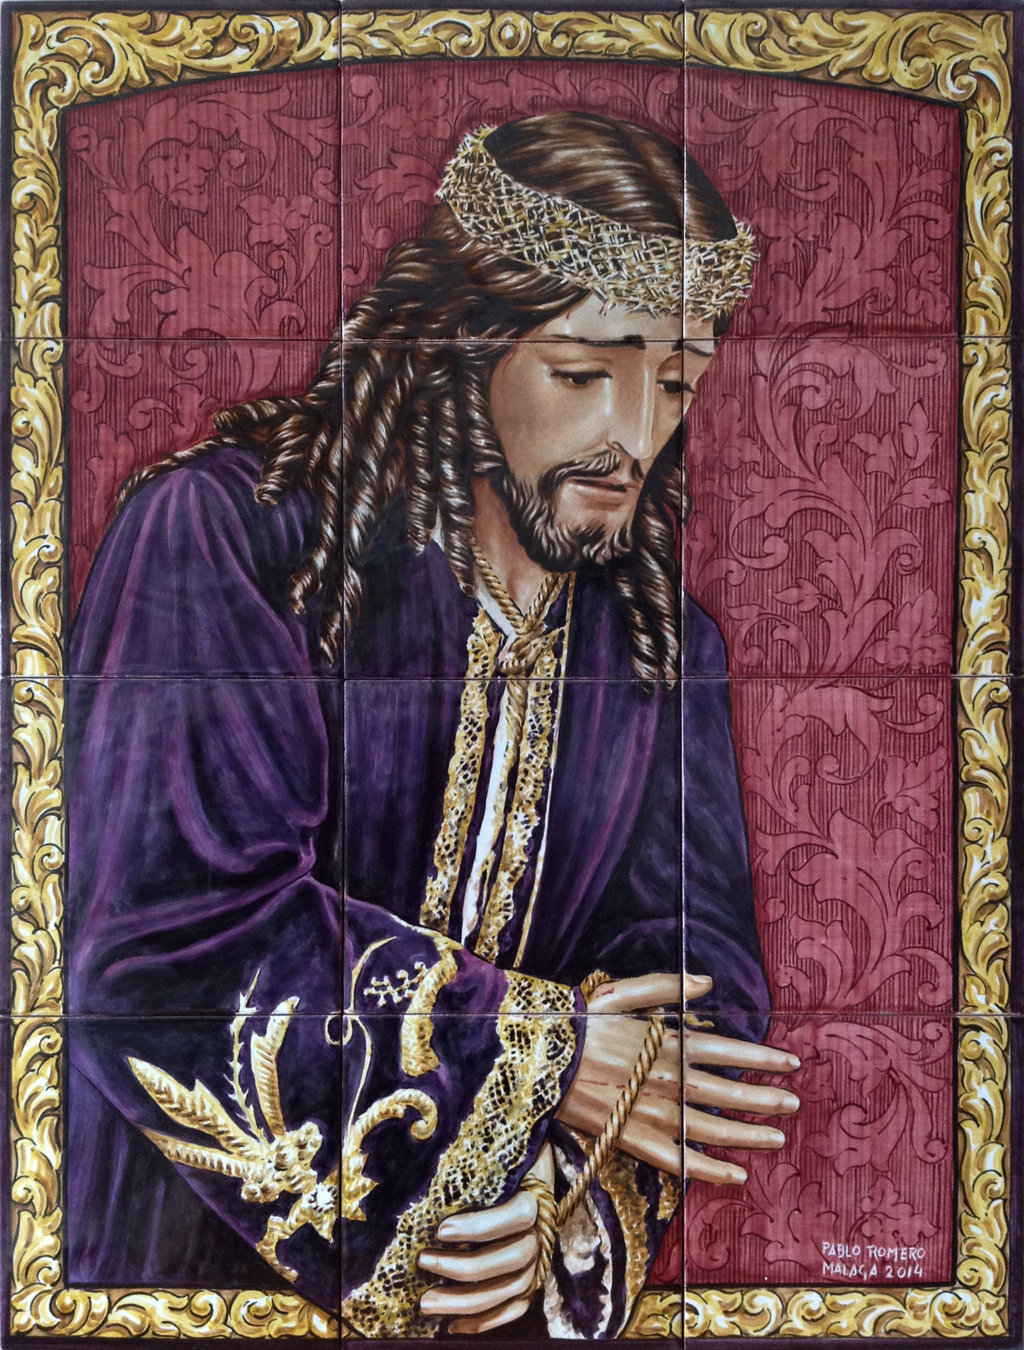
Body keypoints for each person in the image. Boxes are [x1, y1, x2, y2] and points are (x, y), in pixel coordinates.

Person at [65, 112, 799, 1340]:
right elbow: (165, 944)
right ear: (461, 346)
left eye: (675, 383)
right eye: (584, 373)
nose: (634, 436)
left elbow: (690, 990)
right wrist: (539, 1054)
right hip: (192, 1277)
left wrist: (554, 1208)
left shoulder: (657, 647)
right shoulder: (233, 540)